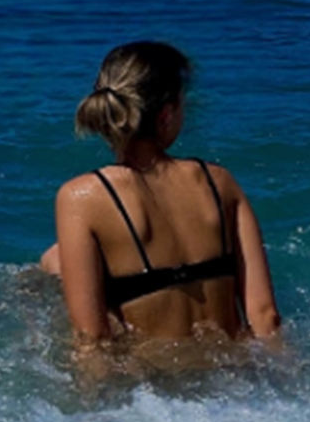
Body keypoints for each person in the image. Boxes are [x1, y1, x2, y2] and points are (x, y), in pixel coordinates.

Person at [43, 41, 283, 381]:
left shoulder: (82, 196)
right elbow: (265, 316)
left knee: (48, 266)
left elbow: (92, 338)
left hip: (156, 392)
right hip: (230, 381)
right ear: (167, 115)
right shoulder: (220, 182)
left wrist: (90, 398)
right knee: (55, 260)